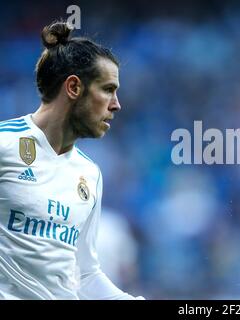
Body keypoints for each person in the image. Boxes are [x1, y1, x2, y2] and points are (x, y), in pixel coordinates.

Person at [0, 21, 144, 300]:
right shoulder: (5, 144)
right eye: (108, 89)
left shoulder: (89, 175)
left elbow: (86, 274)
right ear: (74, 87)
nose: (116, 104)